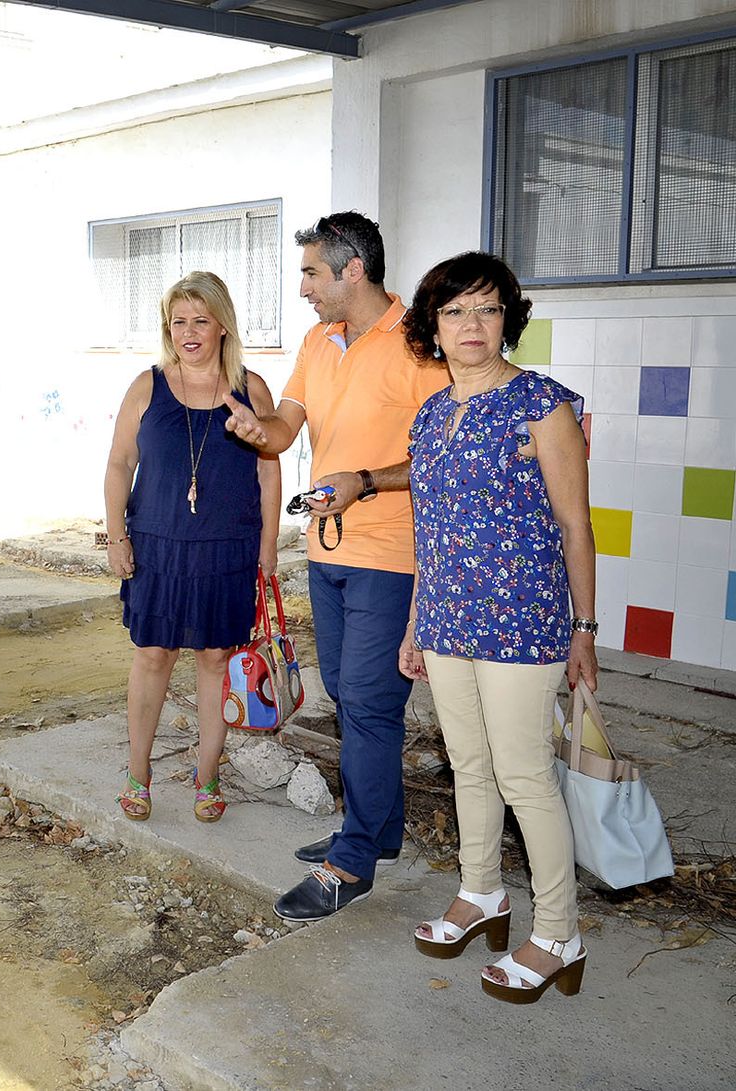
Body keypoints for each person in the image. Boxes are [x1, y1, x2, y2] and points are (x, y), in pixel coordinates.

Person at [219, 212, 449, 922]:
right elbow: (290, 423)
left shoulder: (418, 346)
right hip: (327, 549)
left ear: (354, 270)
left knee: (372, 704)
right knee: (352, 703)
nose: (304, 289)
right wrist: (263, 432)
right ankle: (376, 828)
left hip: (389, 555)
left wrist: (367, 481)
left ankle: (350, 862)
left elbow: (439, 456)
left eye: (312, 272)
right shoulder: (320, 341)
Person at [397, 251, 596, 1004]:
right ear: (434, 327)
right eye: (454, 312)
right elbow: (430, 526)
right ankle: (482, 892)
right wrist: (418, 619)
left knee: (524, 775)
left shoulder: (542, 404)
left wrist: (583, 627)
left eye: (485, 309)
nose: (471, 325)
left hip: (524, 620)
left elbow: (578, 526)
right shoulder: (430, 412)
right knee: (468, 764)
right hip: (448, 616)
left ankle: (559, 931)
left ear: (507, 318)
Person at [105, 271, 280, 825]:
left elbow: (269, 471)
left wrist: (269, 546)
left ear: (222, 326)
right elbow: (118, 464)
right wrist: (117, 534)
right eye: (178, 321)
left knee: (214, 660)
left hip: (226, 549)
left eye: (200, 320)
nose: (188, 332)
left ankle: (208, 777)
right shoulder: (146, 386)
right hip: (156, 545)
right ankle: (139, 773)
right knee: (152, 655)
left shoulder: (251, 390)